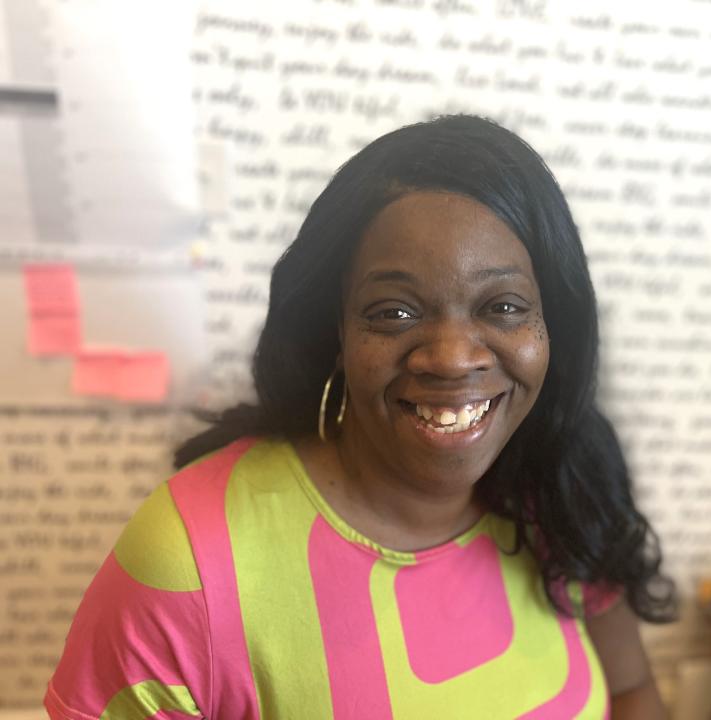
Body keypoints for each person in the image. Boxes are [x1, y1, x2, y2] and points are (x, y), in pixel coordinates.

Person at [45, 114, 675, 719]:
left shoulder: (561, 490)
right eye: (394, 312)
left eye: (504, 306)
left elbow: (635, 691)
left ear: (553, 327)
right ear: (337, 331)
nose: (453, 359)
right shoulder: (191, 560)